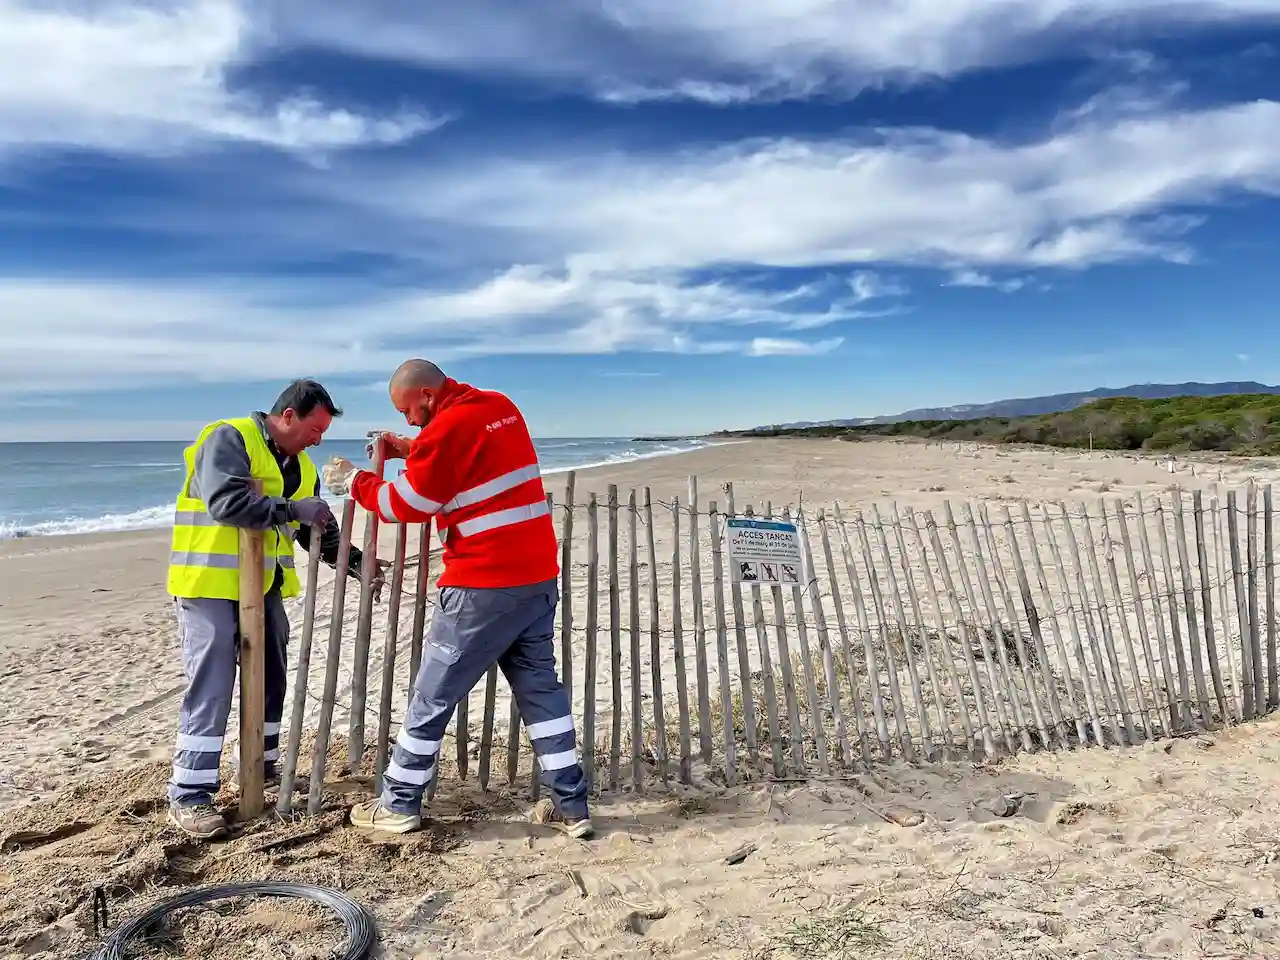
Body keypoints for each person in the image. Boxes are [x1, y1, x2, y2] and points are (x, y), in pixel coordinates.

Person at [322, 359, 592, 839]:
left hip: (481, 586)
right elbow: (464, 456)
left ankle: (399, 804)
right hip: (536, 580)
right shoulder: (498, 407)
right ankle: (573, 806)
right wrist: (414, 447)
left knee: (432, 696)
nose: (407, 421)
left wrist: (354, 482)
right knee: (541, 692)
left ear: (426, 394)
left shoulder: (447, 429)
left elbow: (406, 505)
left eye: (408, 411)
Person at [166, 379, 387, 840]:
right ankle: (190, 793)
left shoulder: (303, 467)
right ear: (287, 415)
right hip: (209, 582)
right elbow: (227, 504)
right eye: (314, 428)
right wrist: (292, 509)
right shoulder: (228, 437)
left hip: (263, 587)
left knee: (272, 674)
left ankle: (261, 766)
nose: (318, 439)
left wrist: (360, 563)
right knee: (212, 681)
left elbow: (315, 533)